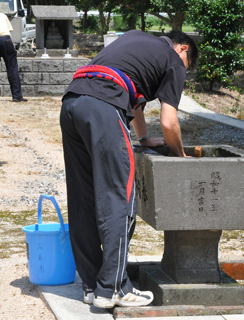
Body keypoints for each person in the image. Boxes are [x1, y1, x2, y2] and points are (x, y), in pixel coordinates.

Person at [60, 30, 198, 308]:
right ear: (183, 48)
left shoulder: (136, 40)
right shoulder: (173, 60)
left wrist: (144, 139)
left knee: (82, 198)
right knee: (119, 198)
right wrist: (181, 155)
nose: (183, 70)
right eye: (188, 63)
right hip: (104, 105)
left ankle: (92, 285)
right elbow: (170, 122)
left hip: (72, 101)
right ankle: (113, 289)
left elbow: (136, 107)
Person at [0, 10, 27, 102]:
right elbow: (9, 30)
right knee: (12, 67)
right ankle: (16, 95)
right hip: (5, 39)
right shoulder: (3, 15)